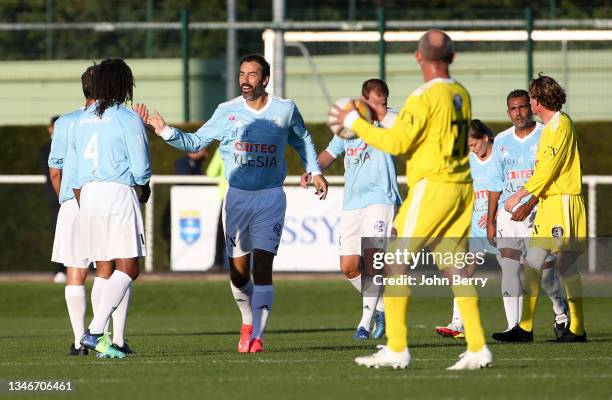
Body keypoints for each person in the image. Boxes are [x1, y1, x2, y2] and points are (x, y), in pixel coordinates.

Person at [330, 29, 492, 370]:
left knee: (394, 261)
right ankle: (477, 346)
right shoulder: (460, 93)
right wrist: (380, 116)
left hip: (433, 187)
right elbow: (420, 130)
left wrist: (354, 122)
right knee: (455, 268)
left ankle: (397, 347)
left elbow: (398, 143)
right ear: (453, 57)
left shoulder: (421, 96)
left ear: (418, 57)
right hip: (462, 188)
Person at [145, 54, 328, 353]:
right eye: (242, 74)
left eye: (252, 75)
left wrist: (316, 170)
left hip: (270, 196)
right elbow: (195, 143)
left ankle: (257, 335)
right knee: (238, 273)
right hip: (237, 198)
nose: (245, 79)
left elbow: (302, 139)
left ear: (265, 79)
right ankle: (247, 321)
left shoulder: (284, 109)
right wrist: (164, 130)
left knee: (264, 266)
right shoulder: (226, 110)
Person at [302, 79, 400, 340]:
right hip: (353, 203)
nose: (381, 107)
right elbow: (329, 154)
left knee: (373, 259)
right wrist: (313, 171)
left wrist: (383, 114)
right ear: (363, 100)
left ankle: (364, 324)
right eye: (376, 103)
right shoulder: (348, 127)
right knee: (349, 267)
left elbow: (402, 131)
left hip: (382, 198)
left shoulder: (390, 119)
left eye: (384, 102)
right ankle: (381, 307)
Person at [76, 58, 152, 358]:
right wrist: (143, 185)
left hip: (89, 194)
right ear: (121, 84)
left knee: (103, 268)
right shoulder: (127, 118)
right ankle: (94, 332)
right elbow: (141, 167)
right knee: (128, 268)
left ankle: (106, 338)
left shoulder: (84, 118)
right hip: (117, 193)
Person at [504, 75, 587, 343]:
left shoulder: (561, 125)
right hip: (548, 203)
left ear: (538, 100)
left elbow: (548, 171)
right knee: (533, 263)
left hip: (563, 201)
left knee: (565, 266)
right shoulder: (549, 127)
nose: (528, 102)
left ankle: (577, 328)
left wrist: (520, 194)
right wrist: (532, 201)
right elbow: (543, 170)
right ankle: (524, 328)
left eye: (530, 97)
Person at [487, 89, 568, 342]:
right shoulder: (500, 140)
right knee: (510, 268)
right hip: (507, 216)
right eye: (513, 108)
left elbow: (549, 177)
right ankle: (516, 327)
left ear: (530, 108)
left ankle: (560, 311)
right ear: (508, 111)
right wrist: (490, 220)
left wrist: (529, 202)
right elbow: (495, 183)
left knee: (544, 272)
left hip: (538, 212)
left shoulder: (546, 134)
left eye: (522, 107)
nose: (518, 112)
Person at [48, 66, 96, 355]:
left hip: (72, 204)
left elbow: (55, 170)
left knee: (74, 273)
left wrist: (65, 200)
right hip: (108, 201)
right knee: (113, 271)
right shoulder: (120, 120)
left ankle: (80, 340)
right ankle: (113, 339)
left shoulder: (66, 121)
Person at [435, 119, 498, 339]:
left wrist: (495, 216)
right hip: (474, 226)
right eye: (468, 146)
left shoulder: (499, 155)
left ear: (484, 138)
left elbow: (506, 187)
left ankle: (558, 313)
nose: (472, 149)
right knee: (464, 272)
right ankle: (458, 323)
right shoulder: (469, 162)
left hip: (500, 224)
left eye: (473, 145)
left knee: (526, 272)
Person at [40, 115, 67, 283]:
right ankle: (59, 270)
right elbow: (52, 173)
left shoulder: (71, 145)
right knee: (59, 234)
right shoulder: (45, 149)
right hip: (59, 198)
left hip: (73, 195)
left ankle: (91, 266)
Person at [206, 147, 229, 269]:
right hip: (244, 194)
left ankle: (217, 262)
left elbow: (211, 172)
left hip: (226, 195)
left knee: (221, 231)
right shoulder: (248, 145)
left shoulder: (221, 148)